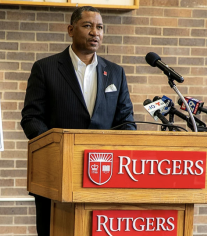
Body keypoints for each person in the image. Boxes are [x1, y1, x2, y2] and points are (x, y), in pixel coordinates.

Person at [20, 6, 136, 236]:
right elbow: (31, 118)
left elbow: (126, 122)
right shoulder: (46, 68)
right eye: (88, 26)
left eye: (100, 27)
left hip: (104, 175)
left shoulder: (115, 73)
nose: (95, 32)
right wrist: (59, 150)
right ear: (71, 30)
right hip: (57, 176)